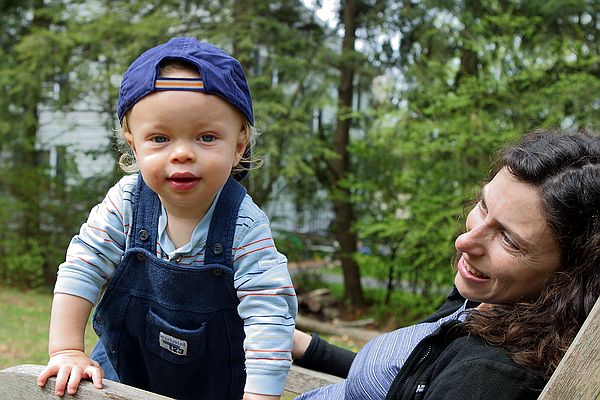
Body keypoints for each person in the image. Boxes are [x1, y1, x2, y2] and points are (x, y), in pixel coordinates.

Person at [36, 37, 297, 400]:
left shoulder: (244, 226)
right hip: (118, 380)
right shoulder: (125, 204)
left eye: (206, 137)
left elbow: (269, 314)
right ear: (133, 145)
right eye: (159, 138)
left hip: (213, 389)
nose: (182, 154)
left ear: (238, 145)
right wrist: (66, 350)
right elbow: (83, 266)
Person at [292, 129, 600, 400]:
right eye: (483, 205)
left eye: (509, 239)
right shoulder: (483, 301)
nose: (464, 242)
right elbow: (405, 380)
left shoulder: (486, 378)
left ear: (568, 277)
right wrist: (303, 345)